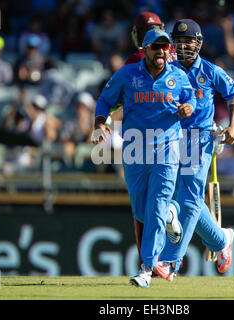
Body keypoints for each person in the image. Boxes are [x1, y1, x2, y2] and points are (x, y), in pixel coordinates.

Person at [92, 29, 195, 288]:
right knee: (141, 210)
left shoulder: (179, 77)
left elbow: (190, 100)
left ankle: (147, 268)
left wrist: (188, 108)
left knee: (155, 208)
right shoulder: (127, 75)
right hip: (135, 149)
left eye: (165, 47)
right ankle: (172, 213)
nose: (161, 52)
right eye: (155, 47)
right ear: (145, 50)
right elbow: (105, 100)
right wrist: (99, 123)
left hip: (167, 150)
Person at [155, 19, 234, 281]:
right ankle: (220, 239)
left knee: (189, 199)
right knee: (181, 198)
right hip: (170, 137)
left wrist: (232, 125)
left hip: (199, 138)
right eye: (178, 42)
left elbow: (233, 94)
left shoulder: (211, 71)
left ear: (198, 43)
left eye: (187, 42)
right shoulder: (167, 70)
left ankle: (170, 260)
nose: (182, 46)